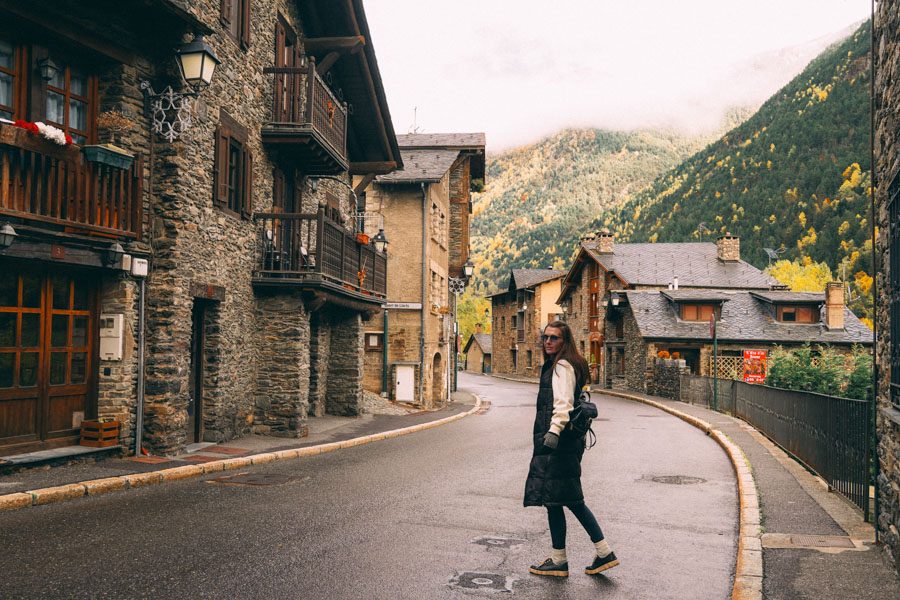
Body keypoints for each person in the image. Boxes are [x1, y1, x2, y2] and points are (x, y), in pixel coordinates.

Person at [524, 321, 618, 577]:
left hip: (558, 442)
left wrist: (553, 434)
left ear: (565, 342)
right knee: (558, 500)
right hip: (565, 442)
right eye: (545, 337)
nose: (548, 342)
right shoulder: (561, 364)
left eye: (554, 338)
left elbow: (563, 404)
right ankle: (570, 557)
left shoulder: (562, 366)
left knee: (568, 500)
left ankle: (596, 553)